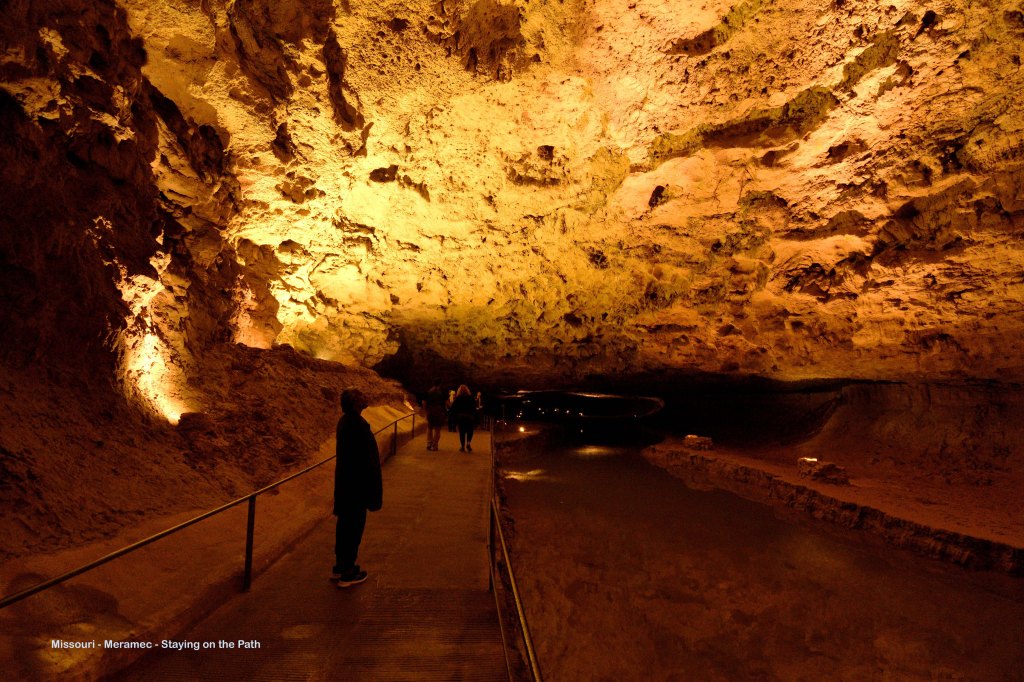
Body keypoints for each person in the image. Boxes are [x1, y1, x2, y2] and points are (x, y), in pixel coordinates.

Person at [332, 388, 382, 588]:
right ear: (354, 403)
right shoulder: (356, 425)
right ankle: (348, 572)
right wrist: (371, 489)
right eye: (361, 396)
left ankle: (340, 565)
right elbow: (364, 460)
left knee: (345, 526)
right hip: (356, 486)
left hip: (346, 484)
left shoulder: (346, 422)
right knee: (353, 528)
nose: (366, 396)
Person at [450, 384, 478, 452]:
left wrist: (454, 416)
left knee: (462, 432)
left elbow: (453, 408)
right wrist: (474, 416)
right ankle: (468, 443)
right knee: (470, 431)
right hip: (469, 417)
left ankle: (462, 446)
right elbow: (474, 408)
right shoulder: (470, 398)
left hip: (460, 417)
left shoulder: (458, 398)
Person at [422, 379, 447, 451]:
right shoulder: (442, 392)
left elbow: (424, 402)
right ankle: (434, 445)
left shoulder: (428, 391)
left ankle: (429, 443)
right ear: (440, 384)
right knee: (437, 429)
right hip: (439, 412)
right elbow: (446, 403)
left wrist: (425, 411)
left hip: (430, 411)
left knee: (429, 428)